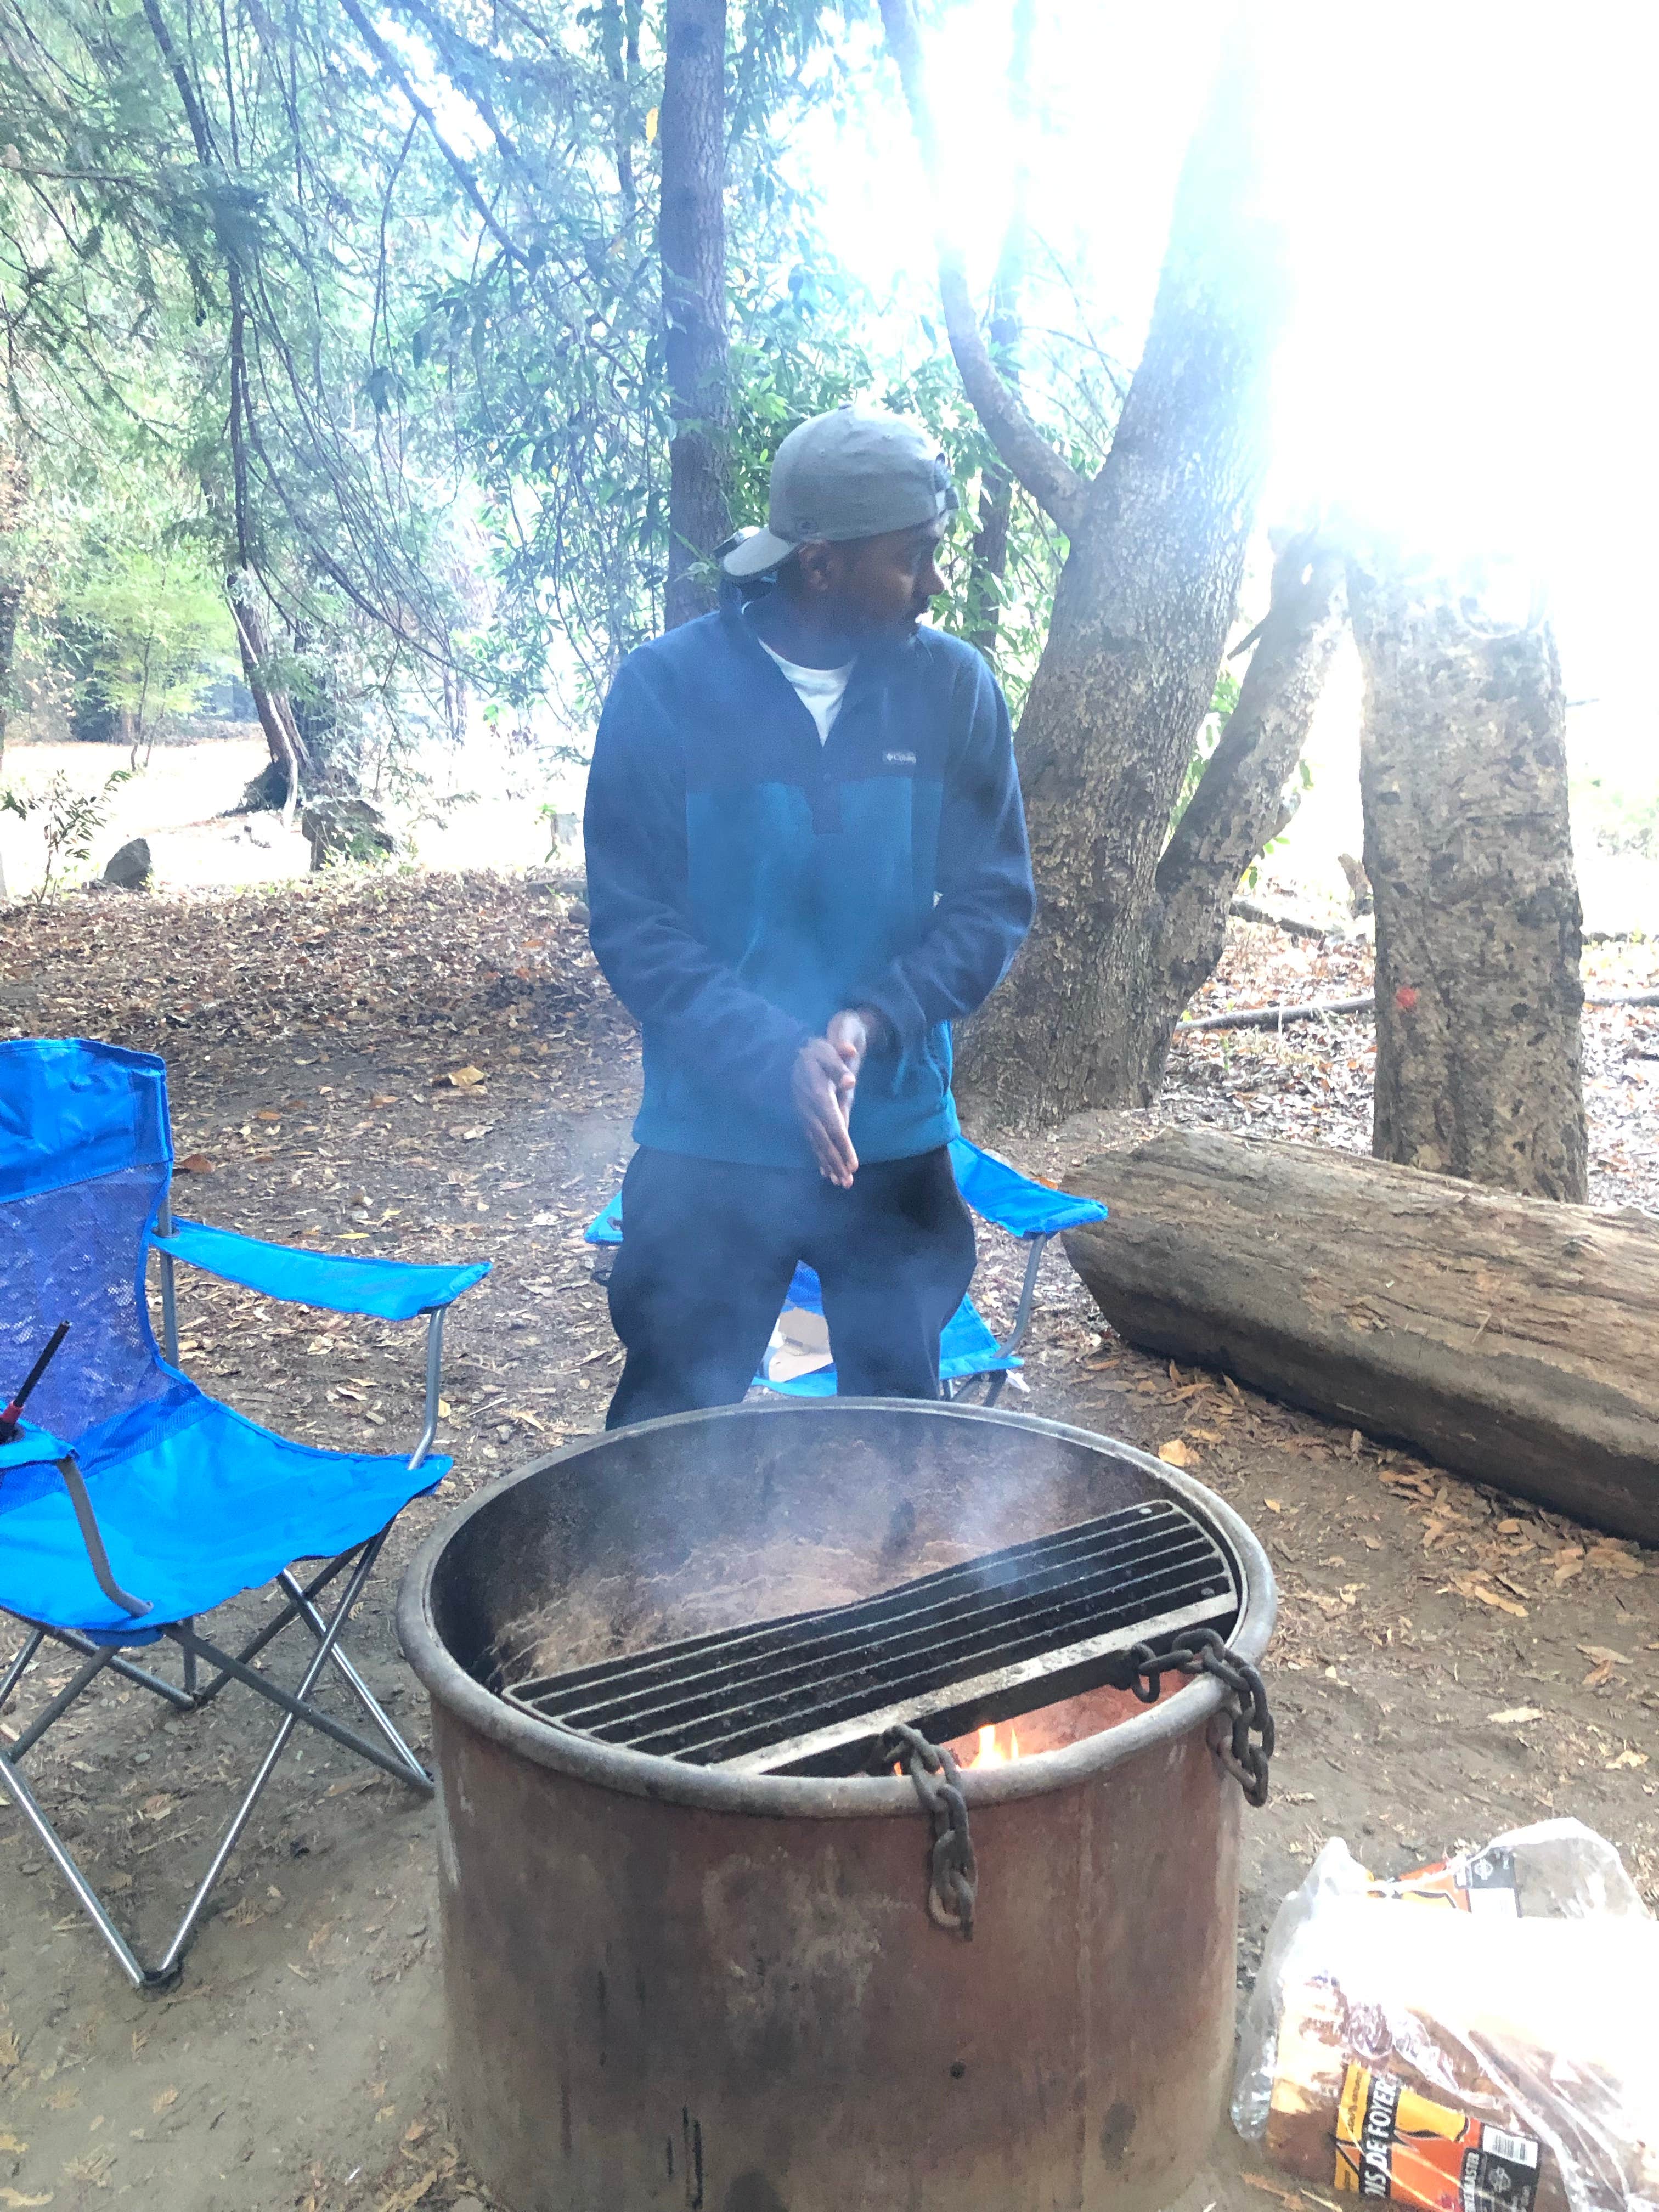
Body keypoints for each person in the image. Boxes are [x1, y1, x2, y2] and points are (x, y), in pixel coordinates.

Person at [583, 406, 1035, 1427]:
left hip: (893, 1132)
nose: (936, 583)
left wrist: (868, 1022)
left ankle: (887, 1588)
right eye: (913, 558)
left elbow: (991, 899)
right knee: (665, 1431)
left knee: (900, 1434)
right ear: (820, 567)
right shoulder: (666, 693)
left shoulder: (952, 690)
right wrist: (773, 1051)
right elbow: (633, 924)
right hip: (711, 1138)